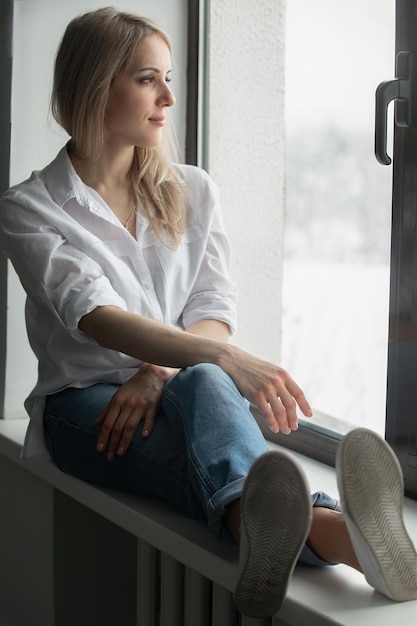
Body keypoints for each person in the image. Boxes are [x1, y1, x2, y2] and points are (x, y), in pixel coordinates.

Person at [0, 7, 415, 618]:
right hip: (84, 408)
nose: (168, 96)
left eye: (169, 77)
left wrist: (158, 370)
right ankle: (345, 538)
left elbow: (213, 307)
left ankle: (280, 531)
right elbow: (95, 316)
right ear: (95, 84)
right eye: (147, 79)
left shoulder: (193, 189)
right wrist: (220, 356)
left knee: (207, 406)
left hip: (179, 387)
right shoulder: (30, 207)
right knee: (210, 382)